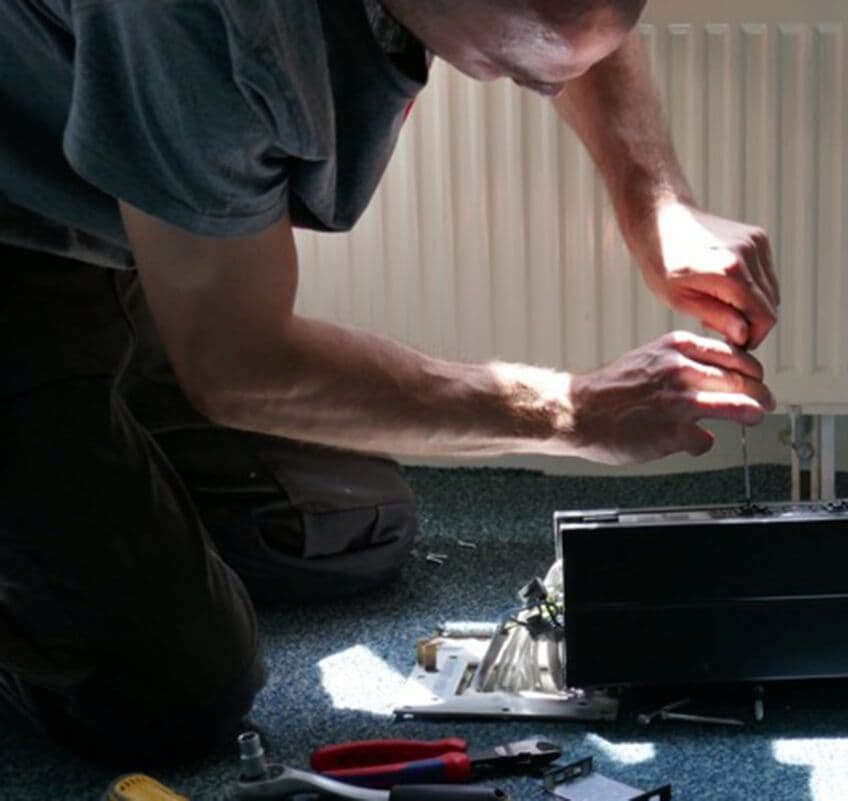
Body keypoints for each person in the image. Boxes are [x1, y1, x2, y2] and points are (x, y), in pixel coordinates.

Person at [0, 0, 779, 763]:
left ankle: (82, 453)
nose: (544, 87)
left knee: (351, 524)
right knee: (172, 689)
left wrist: (657, 203)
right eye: (516, 65)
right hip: (18, 238)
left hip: (129, 235)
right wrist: (573, 412)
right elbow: (242, 367)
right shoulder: (208, 21)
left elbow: (577, 26)